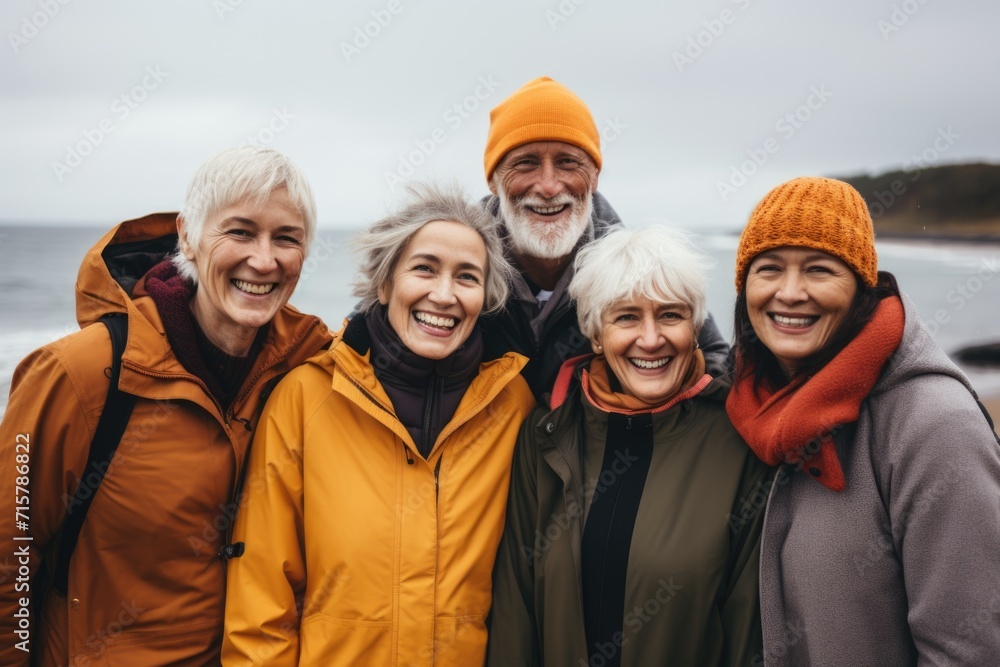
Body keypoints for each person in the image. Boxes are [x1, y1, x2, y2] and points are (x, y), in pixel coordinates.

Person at [0, 146, 332, 665]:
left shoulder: (307, 363)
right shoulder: (79, 373)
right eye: (239, 232)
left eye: (286, 238)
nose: (264, 260)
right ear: (188, 237)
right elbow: (10, 554)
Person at [222, 184, 537, 666]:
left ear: (485, 297)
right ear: (385, 283)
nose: (444, 294)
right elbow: (260, 600)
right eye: (424, 268)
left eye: (467, 277)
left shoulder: (512, 403)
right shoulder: (306, 398)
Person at [726, 176, 1000, 666]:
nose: (789, 293)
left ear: (861, 288)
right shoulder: (749, 405)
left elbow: (969, 650)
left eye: (819, 269)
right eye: (768, 269)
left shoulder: (935, 427)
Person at [488, 226, 771, 666]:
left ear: (695, 328)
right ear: (596, 335)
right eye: (626, 317)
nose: (651, 338)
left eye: (671, 315)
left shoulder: (739, 440)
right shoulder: (546, 435)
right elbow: (515, 612)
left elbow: (748, 631)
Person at [478, 76, 730, 401]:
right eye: (526, 163)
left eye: (568, 162)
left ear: (595, 176)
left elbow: (712, 365)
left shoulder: (638, 270)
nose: (549, 186)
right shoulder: (455, 270)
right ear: (493, 181)